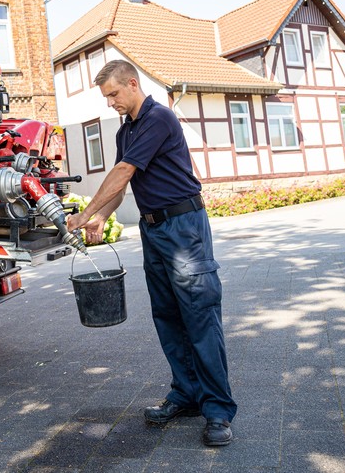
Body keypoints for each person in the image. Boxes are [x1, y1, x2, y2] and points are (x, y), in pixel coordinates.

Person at [66, 59, 236, 447]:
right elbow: (123, 185)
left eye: (113, 94)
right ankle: (187, 394)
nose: (110, 103)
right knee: (168, 316)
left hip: (184, 228)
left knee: (200, 315)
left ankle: (218, 410)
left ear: (131, 83)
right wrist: (101, 217)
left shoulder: (159, 118)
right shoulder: (126, 131)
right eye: (106, 97)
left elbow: (123, 172)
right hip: (153, 228)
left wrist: (84, 214)